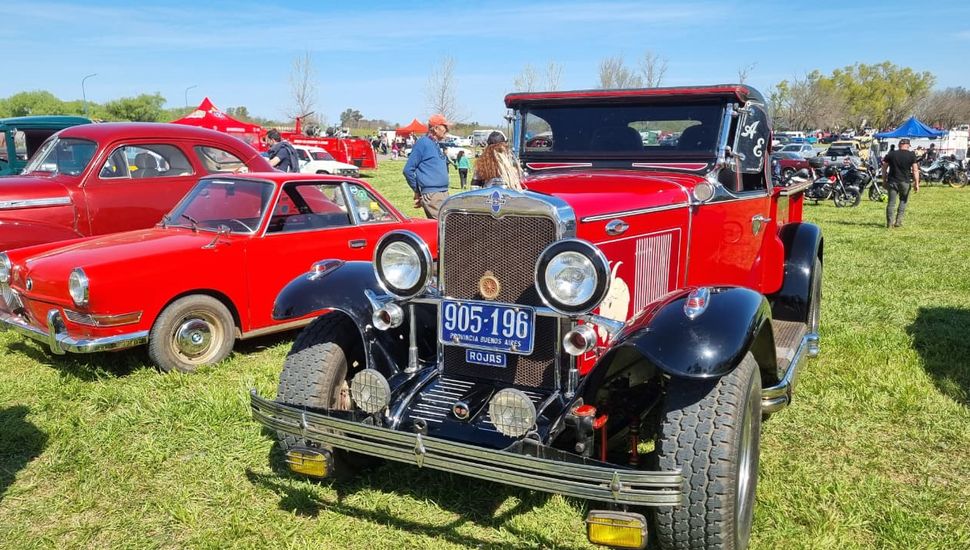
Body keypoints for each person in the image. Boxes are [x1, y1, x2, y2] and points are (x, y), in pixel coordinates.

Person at [403, 114, 451, 218]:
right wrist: (417, 190)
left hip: (443, 192)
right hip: (433, 195)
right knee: (445, 226)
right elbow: (408, 170)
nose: (447, 130)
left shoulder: (436, 144)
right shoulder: (423, 143)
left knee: (447, 227)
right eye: (445, 127)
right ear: (436, 128)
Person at [881, 138, 920, 228]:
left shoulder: (891, 154)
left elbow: (884, 168)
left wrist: (884, 180)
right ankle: (898, 221)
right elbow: (915, 170)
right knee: (903, 201)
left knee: (891, 203)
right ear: (907, 145)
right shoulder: (911, 155)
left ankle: (889, 223)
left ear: (899, 145)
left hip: (892, 181)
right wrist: (916, 183)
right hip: (905, 182)